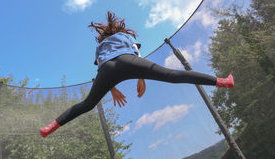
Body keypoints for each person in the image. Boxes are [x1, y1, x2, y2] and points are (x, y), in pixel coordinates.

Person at [40, 11, 234, 138]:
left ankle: (51, 127)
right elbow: (136, 54)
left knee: (87, 104)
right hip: (128, 60)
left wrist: (112, 89)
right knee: (173, 75)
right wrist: (141, 77)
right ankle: (222, 82)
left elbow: (100, 66)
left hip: (107, 70)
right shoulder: (125, 36)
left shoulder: (100, 46)